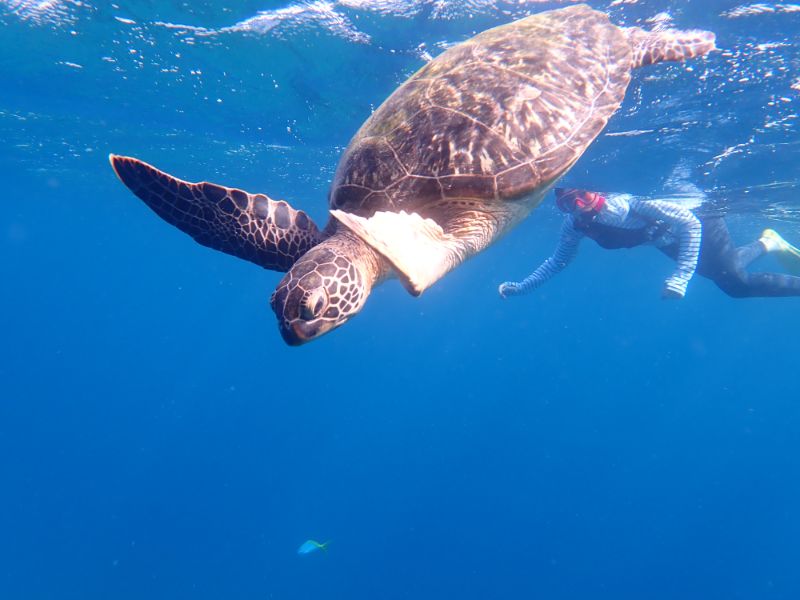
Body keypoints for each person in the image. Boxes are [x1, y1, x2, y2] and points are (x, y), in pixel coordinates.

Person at [498, 188, 800, 300]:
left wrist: (681, 277)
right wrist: (523, 286)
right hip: (668, 241)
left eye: (584, 196)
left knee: (736, 284)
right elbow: (558, 260)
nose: (579, 206)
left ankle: (768, 244)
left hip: (702, 224)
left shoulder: (633, 205)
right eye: (567, 203)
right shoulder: (576, 224)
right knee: (730, 277)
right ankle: (767, 242)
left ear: (597, 191)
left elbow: (690, 224)